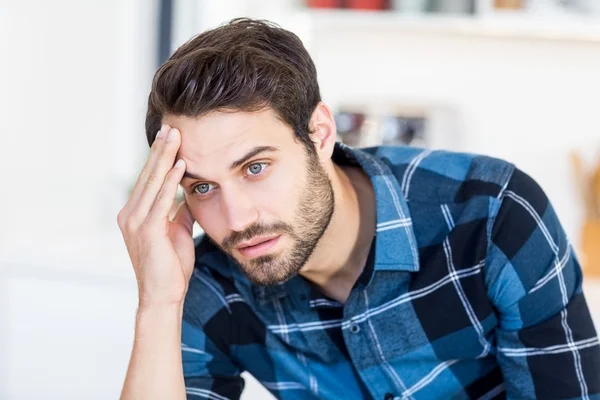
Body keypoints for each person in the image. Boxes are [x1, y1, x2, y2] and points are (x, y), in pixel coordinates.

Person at [118, 18, 600, 400]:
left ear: (320, 134)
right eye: (201, 187)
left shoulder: (495, 216)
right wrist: (157, 304)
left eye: (256, 168)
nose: (237, 220)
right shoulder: (209, 283)